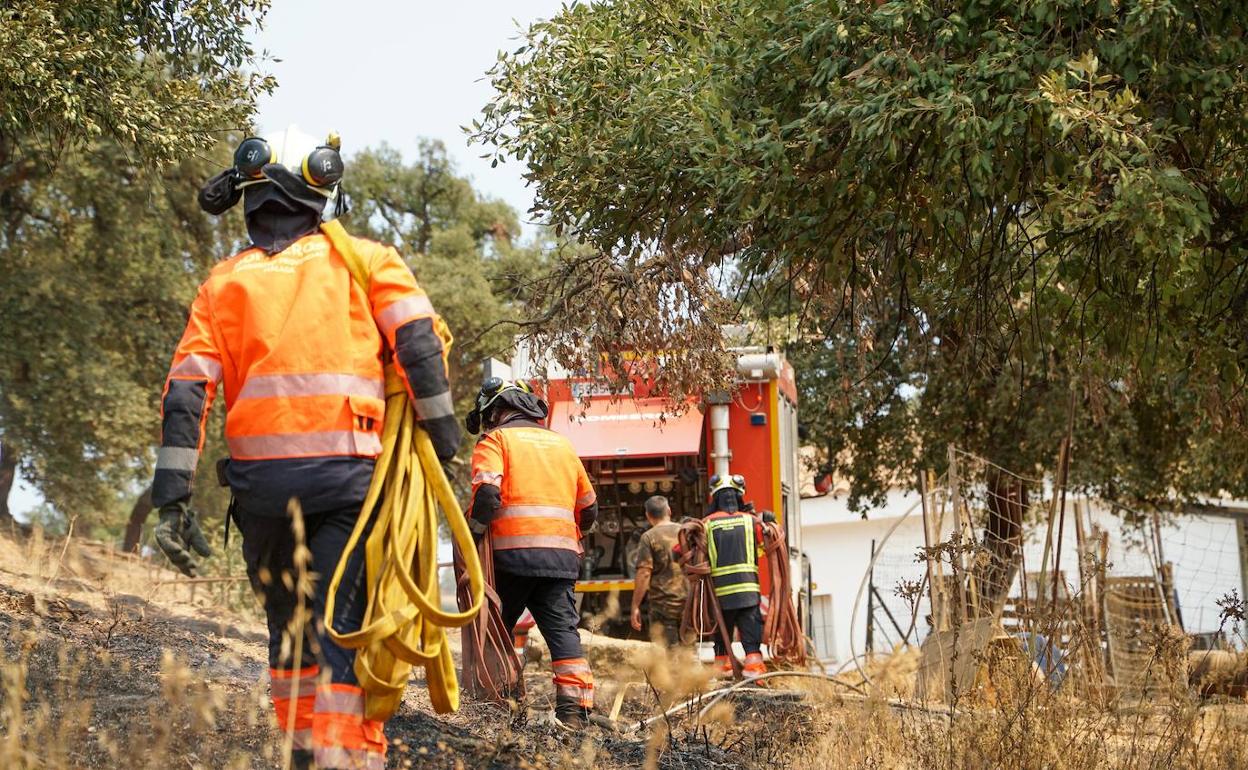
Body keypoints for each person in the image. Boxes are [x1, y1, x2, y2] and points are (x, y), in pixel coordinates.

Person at [150, 127, 460, 770]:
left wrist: (171, 500)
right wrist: (444, 440)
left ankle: (298, 755)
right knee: (341, 629)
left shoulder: (223, 283)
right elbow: (420, 347)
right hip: (347, 485)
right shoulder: (367, 261)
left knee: (289, 634)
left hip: (260, 495)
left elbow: (185, 394)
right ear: (320, 190)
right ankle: (345, 760)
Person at [465, 378, 598, 727]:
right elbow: (589, 509)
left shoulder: (495, 441)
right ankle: (574, 714)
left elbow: (487, 497)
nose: (488, 424)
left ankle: (500, 705)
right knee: (564, 636)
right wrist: (567, 536)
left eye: (488, 416)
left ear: (496, 410)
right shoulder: (562, 445)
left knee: (495, 632)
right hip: (561, 561)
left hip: (510, 559)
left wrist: (473, 536)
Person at [702, 474, 767, 678]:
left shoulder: (705, 524)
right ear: (740, 496)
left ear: (715, 497)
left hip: (719, 596)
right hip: (748, 593)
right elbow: (765, 549)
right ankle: (754, 674)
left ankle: (722, 674)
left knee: (721, 638)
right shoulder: (753, 522)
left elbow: (683, 552)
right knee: (751, 640)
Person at [630, 495, 688, 646]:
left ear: (648, 516)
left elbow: (644, 573)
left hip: (663, 606)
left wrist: (635, 605)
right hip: (688, 602)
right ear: (669, 510)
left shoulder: (648, 537)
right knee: (689, 651)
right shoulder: (685, 532)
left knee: (668, 654)